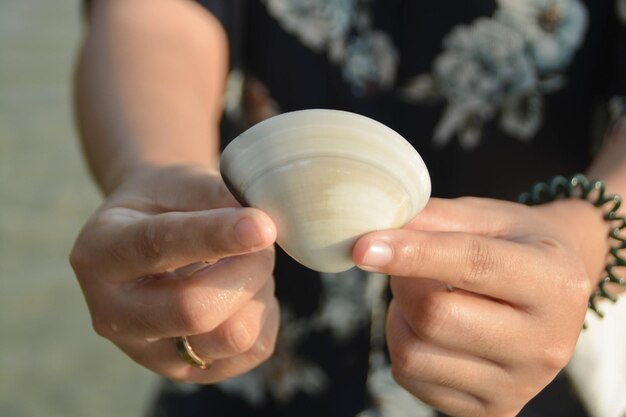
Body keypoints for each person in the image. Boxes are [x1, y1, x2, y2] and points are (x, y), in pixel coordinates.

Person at [70, 0, 626, 416]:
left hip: (530, 368)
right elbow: (155, 16)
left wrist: (590, 235)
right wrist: (158, 180)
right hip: (233, 360)